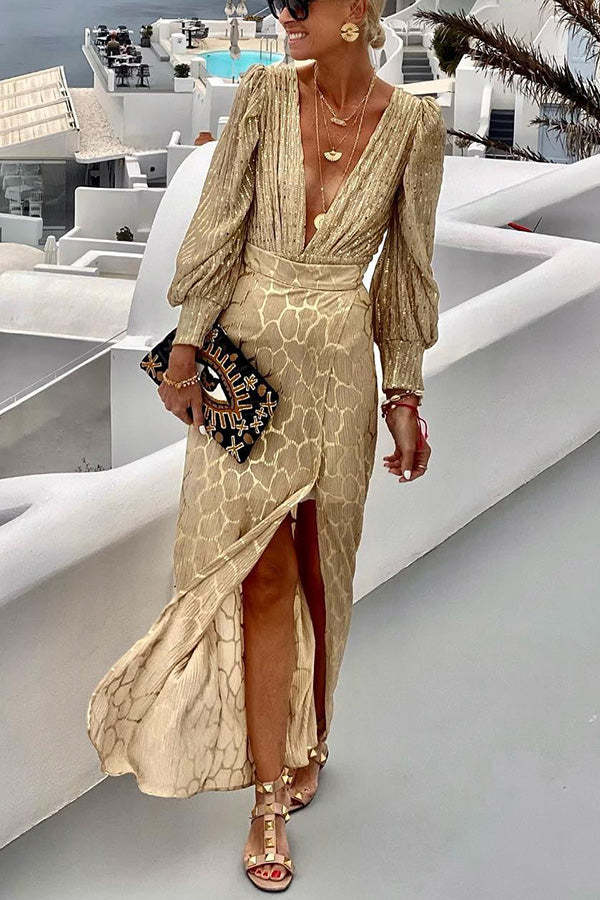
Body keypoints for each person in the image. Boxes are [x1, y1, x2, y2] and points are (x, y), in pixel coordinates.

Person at [86, 0, 445, 891]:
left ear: (355, 10)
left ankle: (310, 735)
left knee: (323, 571)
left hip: (338, 378)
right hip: (249, 365)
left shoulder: (413, 126)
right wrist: (184, 350)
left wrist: (404, 394)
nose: (284, 13)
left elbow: (407, 268)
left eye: (299, 2)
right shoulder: (259, 95)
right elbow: (219, 226)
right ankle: (267, 798)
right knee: (261, 575)